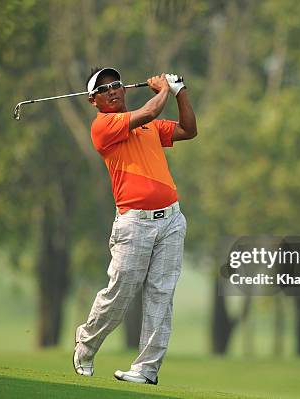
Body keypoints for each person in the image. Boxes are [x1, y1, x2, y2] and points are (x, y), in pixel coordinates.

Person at [73, 67, 197, 385]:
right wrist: (163, 90)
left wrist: (180, 91)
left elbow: (188, 130)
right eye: (104, 89)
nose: (112, 90)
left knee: (161, 295)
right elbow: (149, 110)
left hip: (171, 221)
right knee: (120, 294)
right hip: (134, 225)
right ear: (93, 100)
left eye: (116, 84)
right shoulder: (104, 126)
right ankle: (86, 345)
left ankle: (146, 369)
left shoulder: (150, 127)